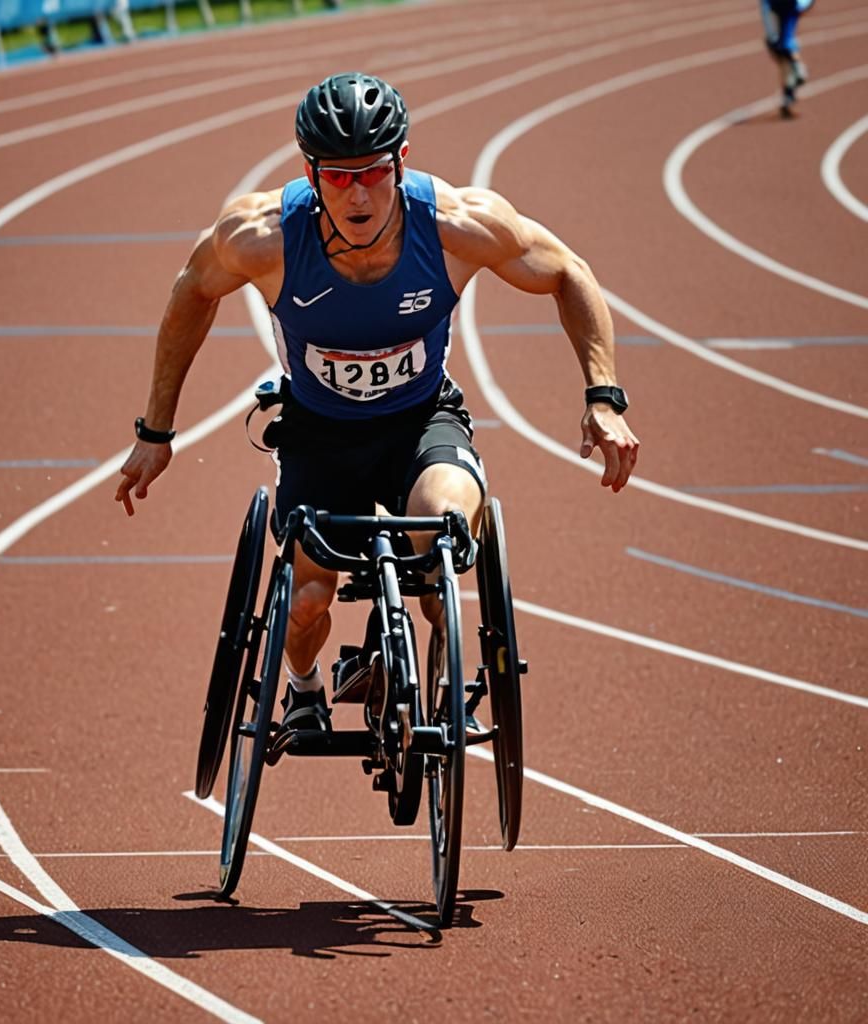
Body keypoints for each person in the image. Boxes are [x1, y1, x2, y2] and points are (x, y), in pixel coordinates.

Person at [115, 72, 639, 732]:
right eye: (337, 177)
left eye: (373, 172)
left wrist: (603, 396)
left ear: (402, 162)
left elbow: (568, 273)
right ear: (310, 174)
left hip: (421, 423)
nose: (358, 193)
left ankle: (442, 653)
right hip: (319, 435)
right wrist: (155, 431)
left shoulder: (454, 226)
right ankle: (304, 687)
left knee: (442, 533)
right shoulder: (263, 237)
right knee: (305, 600)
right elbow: (192, 290)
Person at [760, 0, 816, 117]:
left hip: (783, 15)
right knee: (784, 56)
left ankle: (788, 98)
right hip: (778, 18)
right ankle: (789, 92)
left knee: (785, 59)